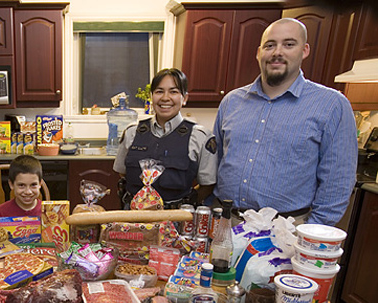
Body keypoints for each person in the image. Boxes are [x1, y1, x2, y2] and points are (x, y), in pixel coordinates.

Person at [212, 18, 357, 226]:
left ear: (304, 50)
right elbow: (215, 163)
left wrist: (310, 234)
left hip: (287, 230)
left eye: (288, 44)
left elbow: (338, 183)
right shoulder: (231, 101)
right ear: (259, 52)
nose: (277, 52)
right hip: (226, 223)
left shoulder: (332, 105)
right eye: (270, 45)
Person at [113, 68, 218, 208]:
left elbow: (207, 185)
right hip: (133, 218)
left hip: (176, 219)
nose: (165, 98)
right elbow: (122, 173)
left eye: (173, 91)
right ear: (152, 97)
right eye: (159, 91)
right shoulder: (132, 132)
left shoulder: (200, 137)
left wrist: (181, 205)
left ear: (184, 98)